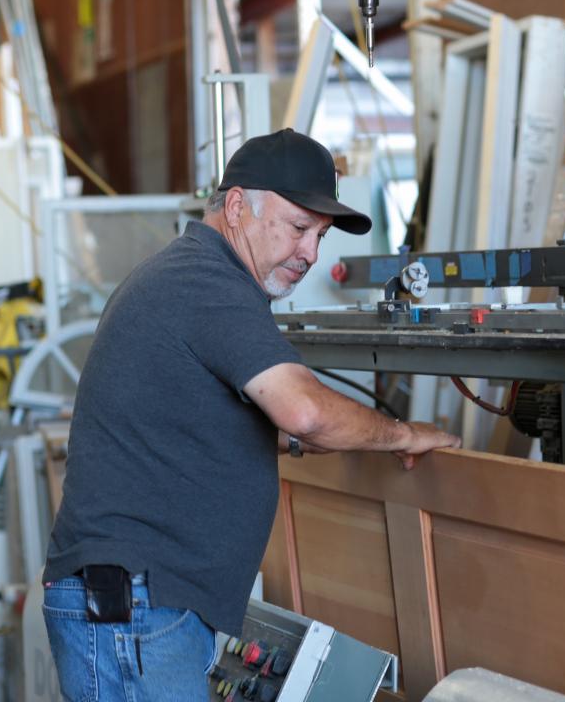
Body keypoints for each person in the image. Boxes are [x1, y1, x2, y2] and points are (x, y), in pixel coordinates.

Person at [42, 129, 460, 701]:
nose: (311, 254)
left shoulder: (191, 275)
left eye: (320, 236)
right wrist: (402, 434)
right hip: (135, 610)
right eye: (299, 228)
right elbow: (304, 411)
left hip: (140, 607)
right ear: (237, 206)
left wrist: (322, 437)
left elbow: (243, 424)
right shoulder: (205, 281)